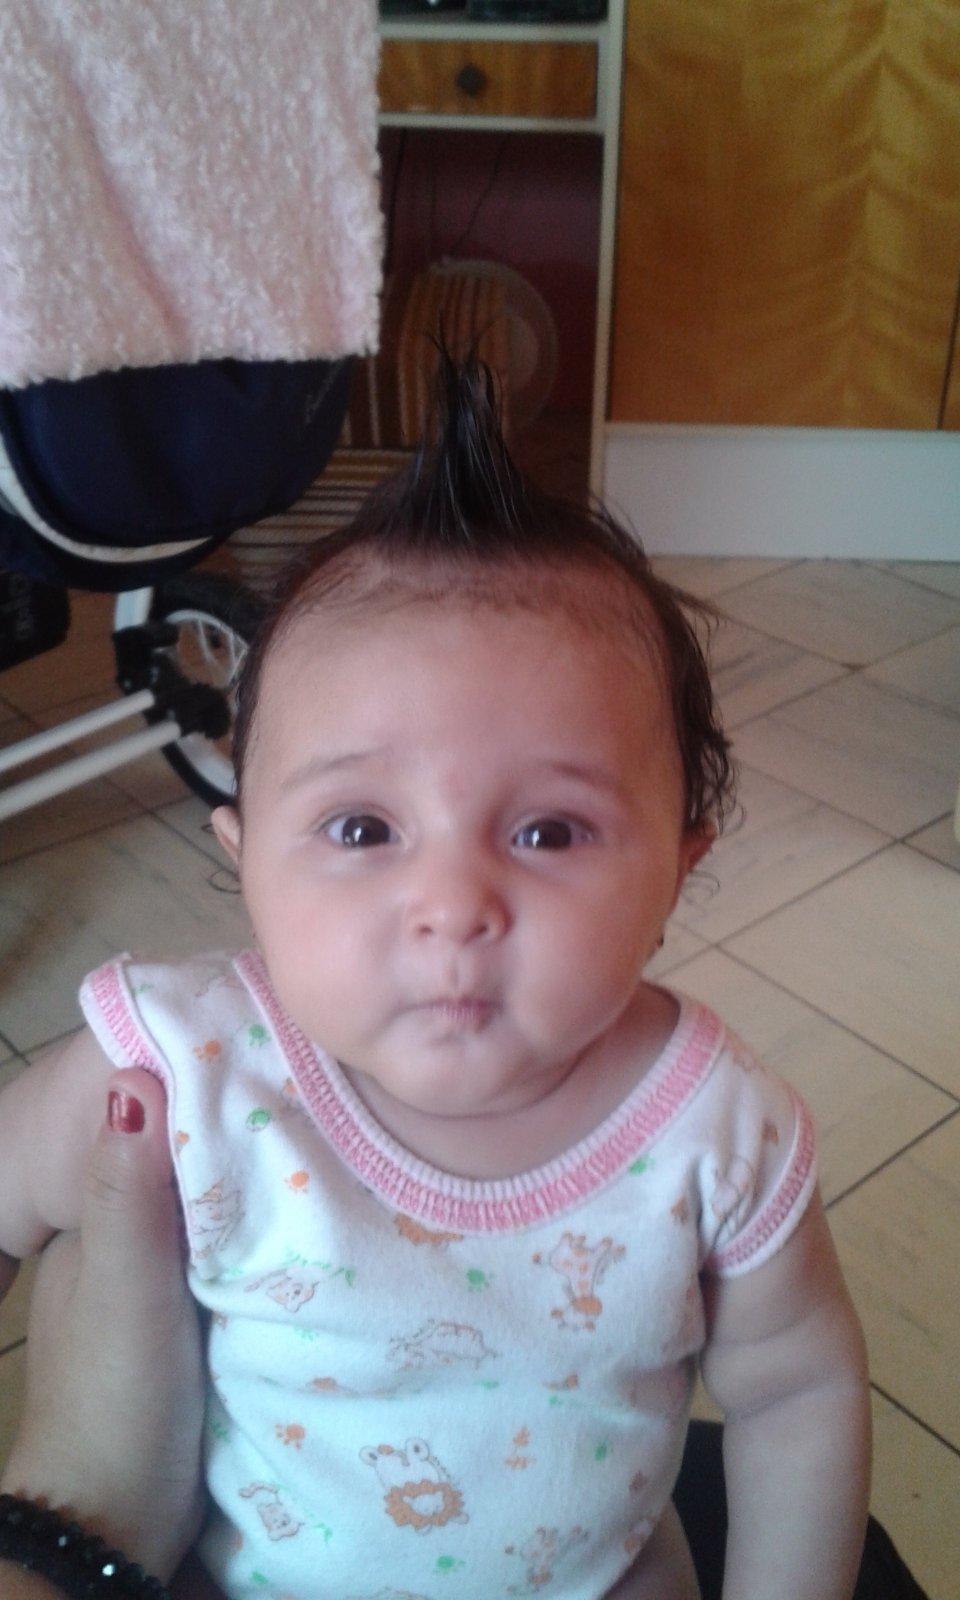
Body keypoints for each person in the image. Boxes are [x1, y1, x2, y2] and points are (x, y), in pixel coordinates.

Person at [0, 354, 871, 1599]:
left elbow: (798, 1395)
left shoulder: (719, 1133)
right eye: (362, 828)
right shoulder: (183, 1067)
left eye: (550, 830)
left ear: (679, 869)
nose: (454, 906)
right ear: (244, 860)